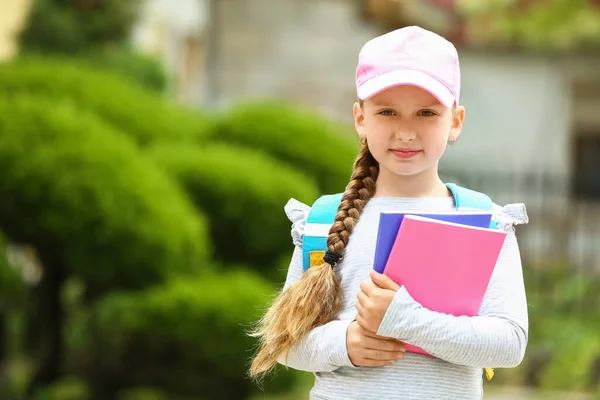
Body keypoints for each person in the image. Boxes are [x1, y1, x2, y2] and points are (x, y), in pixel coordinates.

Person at [249, 25, 529, 399]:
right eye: (388, 112)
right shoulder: (322, 222)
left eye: (427, 113)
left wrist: (408, 322)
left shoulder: (486, 221)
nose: (406, 131)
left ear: (456, 122)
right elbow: (286, 343)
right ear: (360, 118)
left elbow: (509, 343)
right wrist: (345, 343)